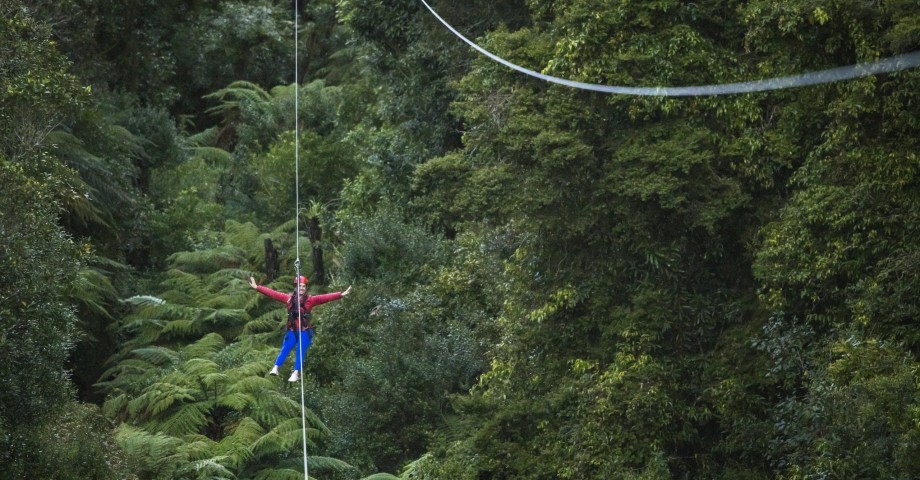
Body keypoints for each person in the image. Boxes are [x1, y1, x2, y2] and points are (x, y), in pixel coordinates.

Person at [250, 275, 352, 382]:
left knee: (300, 350)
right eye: (300, 286)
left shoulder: (310, 300)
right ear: (296, 287)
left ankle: (296, 372)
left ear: (306, 288)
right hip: (292, 330)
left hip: (304, 331)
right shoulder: (289, 299)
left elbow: (324, 298)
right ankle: (276, 367)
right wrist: (258, 287)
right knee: (286, 348)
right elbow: (273, 294)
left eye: (304, 286)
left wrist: (340, 294)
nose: (302, 288)